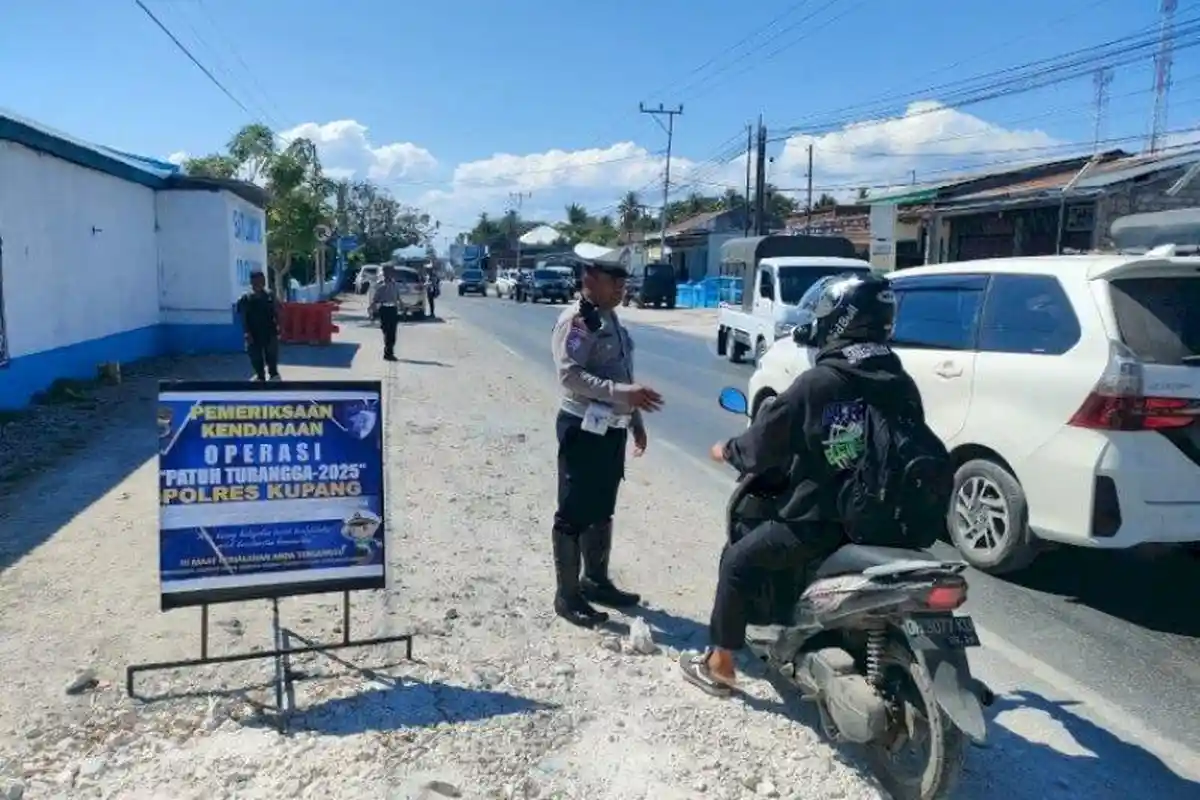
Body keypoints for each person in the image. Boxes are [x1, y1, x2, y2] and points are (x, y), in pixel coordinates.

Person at [679, 272, 923, 696]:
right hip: (886, 522)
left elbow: (760, 447)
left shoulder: (819, 383)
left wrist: (726, 449)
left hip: (821, 525)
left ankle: (719, 664)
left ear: (840, 320)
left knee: (737, 562)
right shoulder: (900, 382)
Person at [549, 258, 665, 627]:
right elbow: (570, 375)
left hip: (611, 428)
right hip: (582, 428)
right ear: (590, 278)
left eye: (623, 282)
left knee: (602, 509)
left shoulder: (609, 316)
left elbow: (620, 371)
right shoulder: (577, 320)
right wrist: (622, 393)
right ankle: (567, 597)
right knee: (572, 513)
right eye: (614, 281)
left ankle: (595, 581)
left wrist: (635, 419)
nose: (621, 288)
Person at [236, 271, 282, 381]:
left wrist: (280, 328)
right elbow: (243, 317)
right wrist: (246, 333)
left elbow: (278, 312)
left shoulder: (270, 296)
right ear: (251, 282)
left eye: (262, 280)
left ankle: (274, 378)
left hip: (270, 332)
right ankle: (260, 377)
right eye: (257, 280)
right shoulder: (245, 299)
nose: (260, 283)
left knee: (272, 358)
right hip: (253, 334)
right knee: (256, 358)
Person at [370, 266, 401, 361]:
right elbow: (375, 300)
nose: (390, 274)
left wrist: (402, 306)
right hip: (384, 309)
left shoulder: (395, 284)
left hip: (393, 309)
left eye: (391, 272)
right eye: (387, 272)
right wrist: (372, 312)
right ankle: (388, 352)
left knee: (392, 332)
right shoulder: (380, 285)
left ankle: (389, 352)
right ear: (384, 273)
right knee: (386, 331)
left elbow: (398, 297)